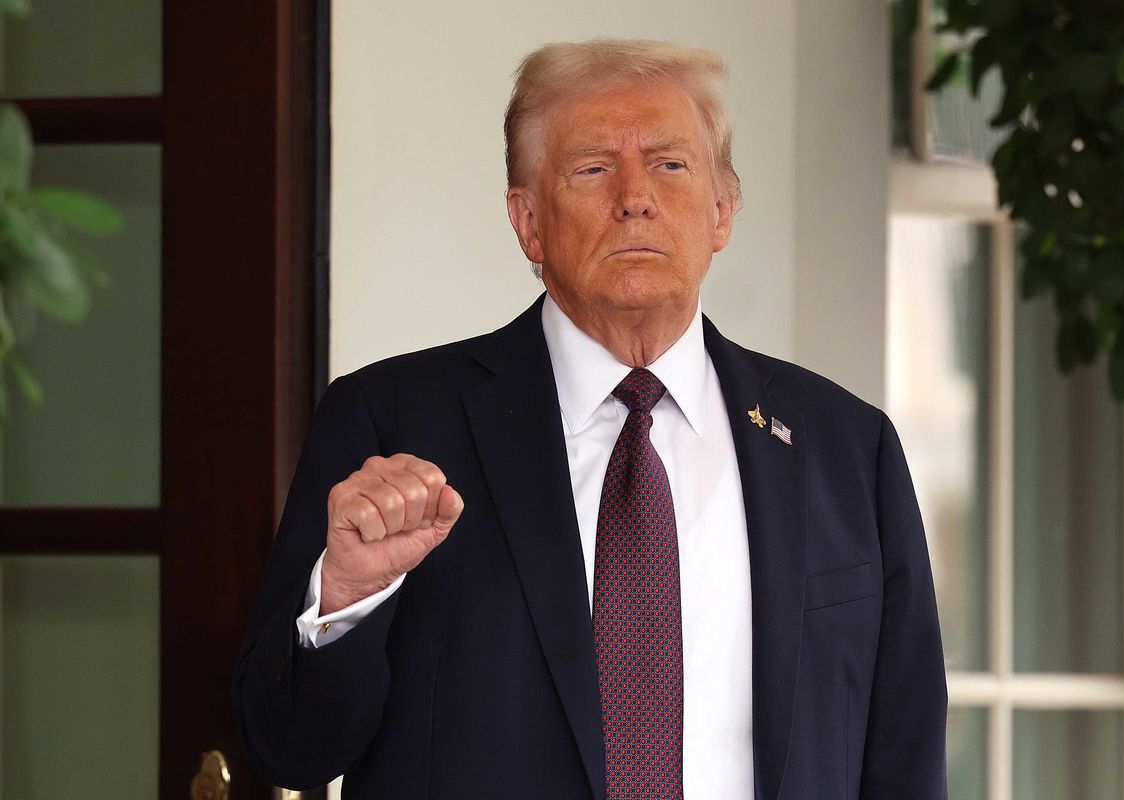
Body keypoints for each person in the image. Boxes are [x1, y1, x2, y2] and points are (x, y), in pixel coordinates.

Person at [233, 38, 947, 800]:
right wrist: (345, 598)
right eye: (593, 169)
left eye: (669, 164)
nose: (635, 197)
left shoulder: (847, 447)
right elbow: (287, 751)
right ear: (528, 221)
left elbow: (904, 758)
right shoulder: (393, 424)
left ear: (722, 210)